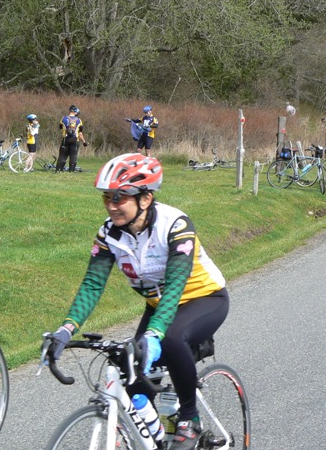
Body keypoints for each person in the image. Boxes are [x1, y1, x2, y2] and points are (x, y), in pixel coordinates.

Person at [45, 153, 229, 450]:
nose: (111, 205)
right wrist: (66, 329)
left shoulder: (176, 225)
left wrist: (154, 335)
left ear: (145, 198)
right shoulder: (109, 233)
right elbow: (93, 284)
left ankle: (189, 418)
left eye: (119, 197)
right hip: (158, 306)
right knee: (126, 367)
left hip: (203, 299)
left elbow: (175, 287)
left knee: (169, 338)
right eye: (107, 197)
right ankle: (157, 433)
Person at [55, 104, 87, 172]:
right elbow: (80, 133)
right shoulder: (79, 120)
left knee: (62, 155)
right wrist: (84, 142)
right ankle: (71, 170)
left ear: (69, 111)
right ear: (75, 112)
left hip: (65, 139)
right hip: (75, 139)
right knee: (73, 155)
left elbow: (60, 127)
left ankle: (59, 169)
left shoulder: (63, 119)